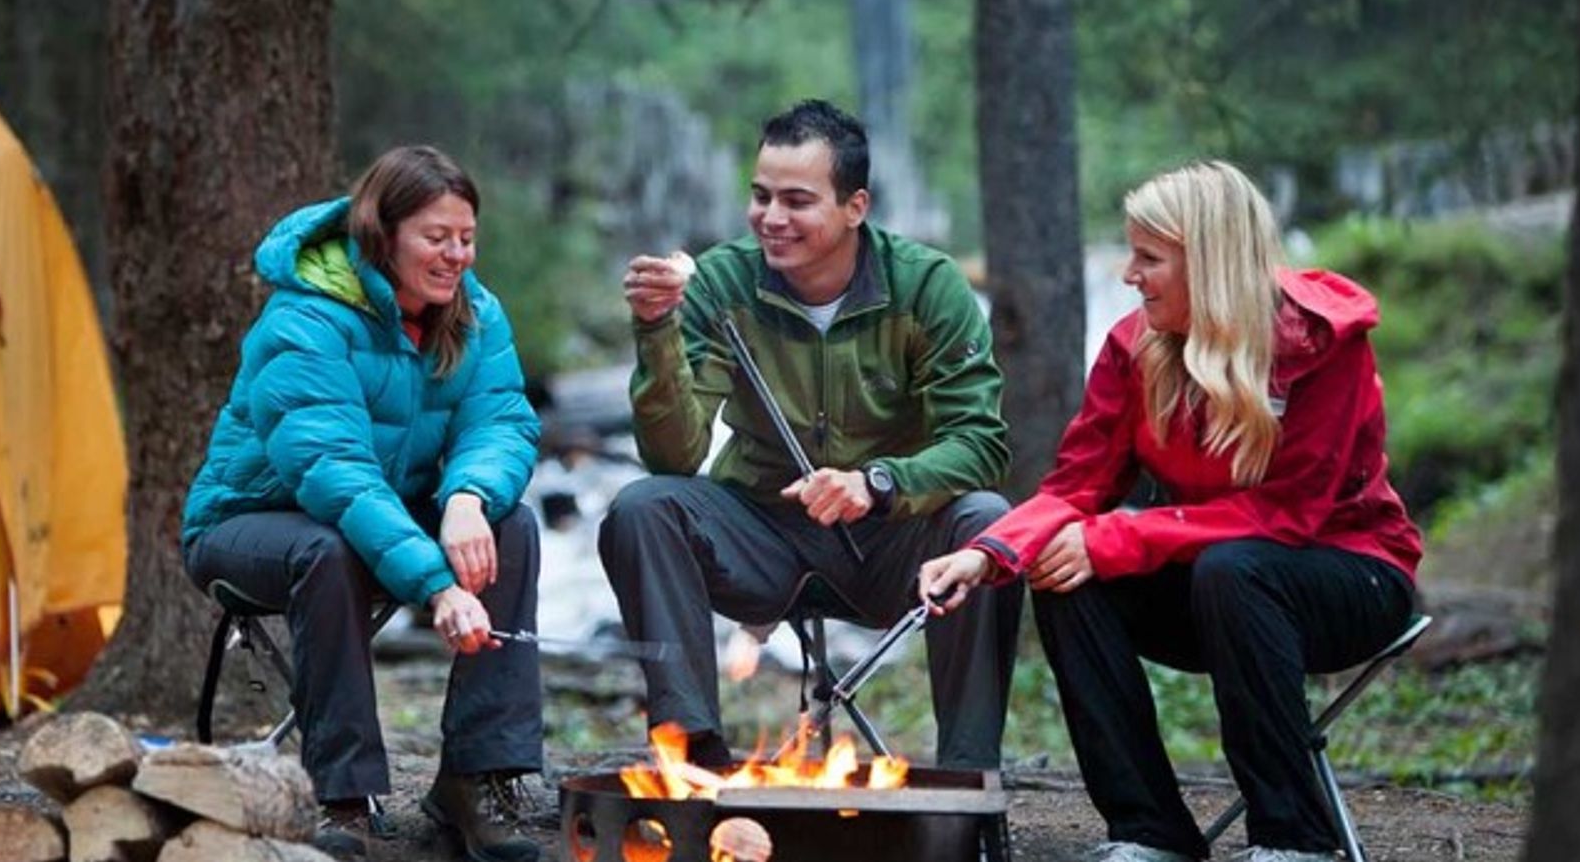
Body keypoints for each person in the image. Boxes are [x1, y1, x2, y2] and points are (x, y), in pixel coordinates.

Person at [918, 160, 1422, 862]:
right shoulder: (1136, 347)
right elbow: (1076, 484)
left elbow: (1290, 515)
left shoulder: (1319, 344)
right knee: (1068, 571)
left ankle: (1294, 840)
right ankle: (1148, 830)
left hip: (1352, 577)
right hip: (1217, 582)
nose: (1130, 274)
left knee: (1233, 568)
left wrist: (1122, 536)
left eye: (1150, 258)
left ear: (1210, 264)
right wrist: (993, 553)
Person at [600, 99, 1024, 773]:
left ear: (855, 206)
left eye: (797, 201)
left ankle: (969, 778)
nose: (772, 218)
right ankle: (691, 760)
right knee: (644, 506)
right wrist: (657, 331)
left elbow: (980, 442)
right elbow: (673, 456)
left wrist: (879, 484)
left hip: (894, 545)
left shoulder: (926, 286)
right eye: (761, 196)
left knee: (987, 522)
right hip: (761, 536)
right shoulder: (721, 282)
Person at [180, 146, 544, 862]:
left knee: (515, 523)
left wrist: (468, 499)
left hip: (379, 517)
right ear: (384, 233)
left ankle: (474, 783)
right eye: (436, 238)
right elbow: (332, 472)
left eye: (466, 238)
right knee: (329, 545)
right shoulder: (307, 318)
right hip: (247, 525)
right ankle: (341, 798)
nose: (456, 256)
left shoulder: (475, 314)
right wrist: (436, 583)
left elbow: (500, 420)